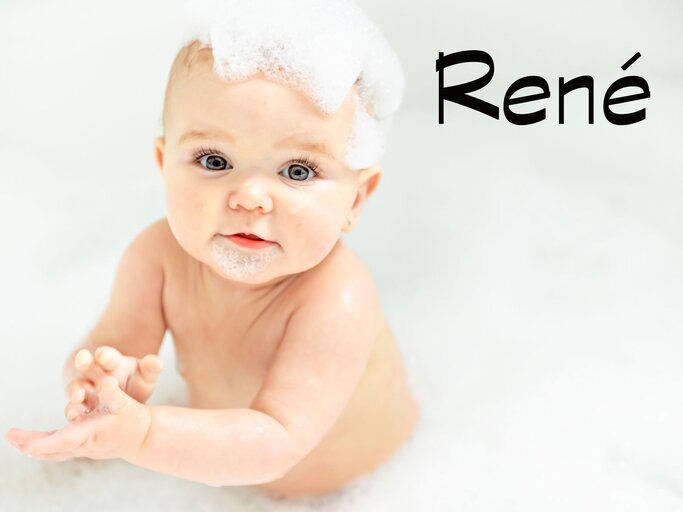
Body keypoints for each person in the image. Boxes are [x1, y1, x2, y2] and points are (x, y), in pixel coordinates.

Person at [5, 0, 420, 498]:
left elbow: (277, 440)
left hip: (349, 493)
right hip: (221, 475)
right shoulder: (157, 256)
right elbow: (111, 347)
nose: (248, 196)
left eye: (298, 170)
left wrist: (146, 434)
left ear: (355, 199)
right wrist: (97, 384)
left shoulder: (336, 298)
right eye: (214, 159)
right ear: (164, 162)